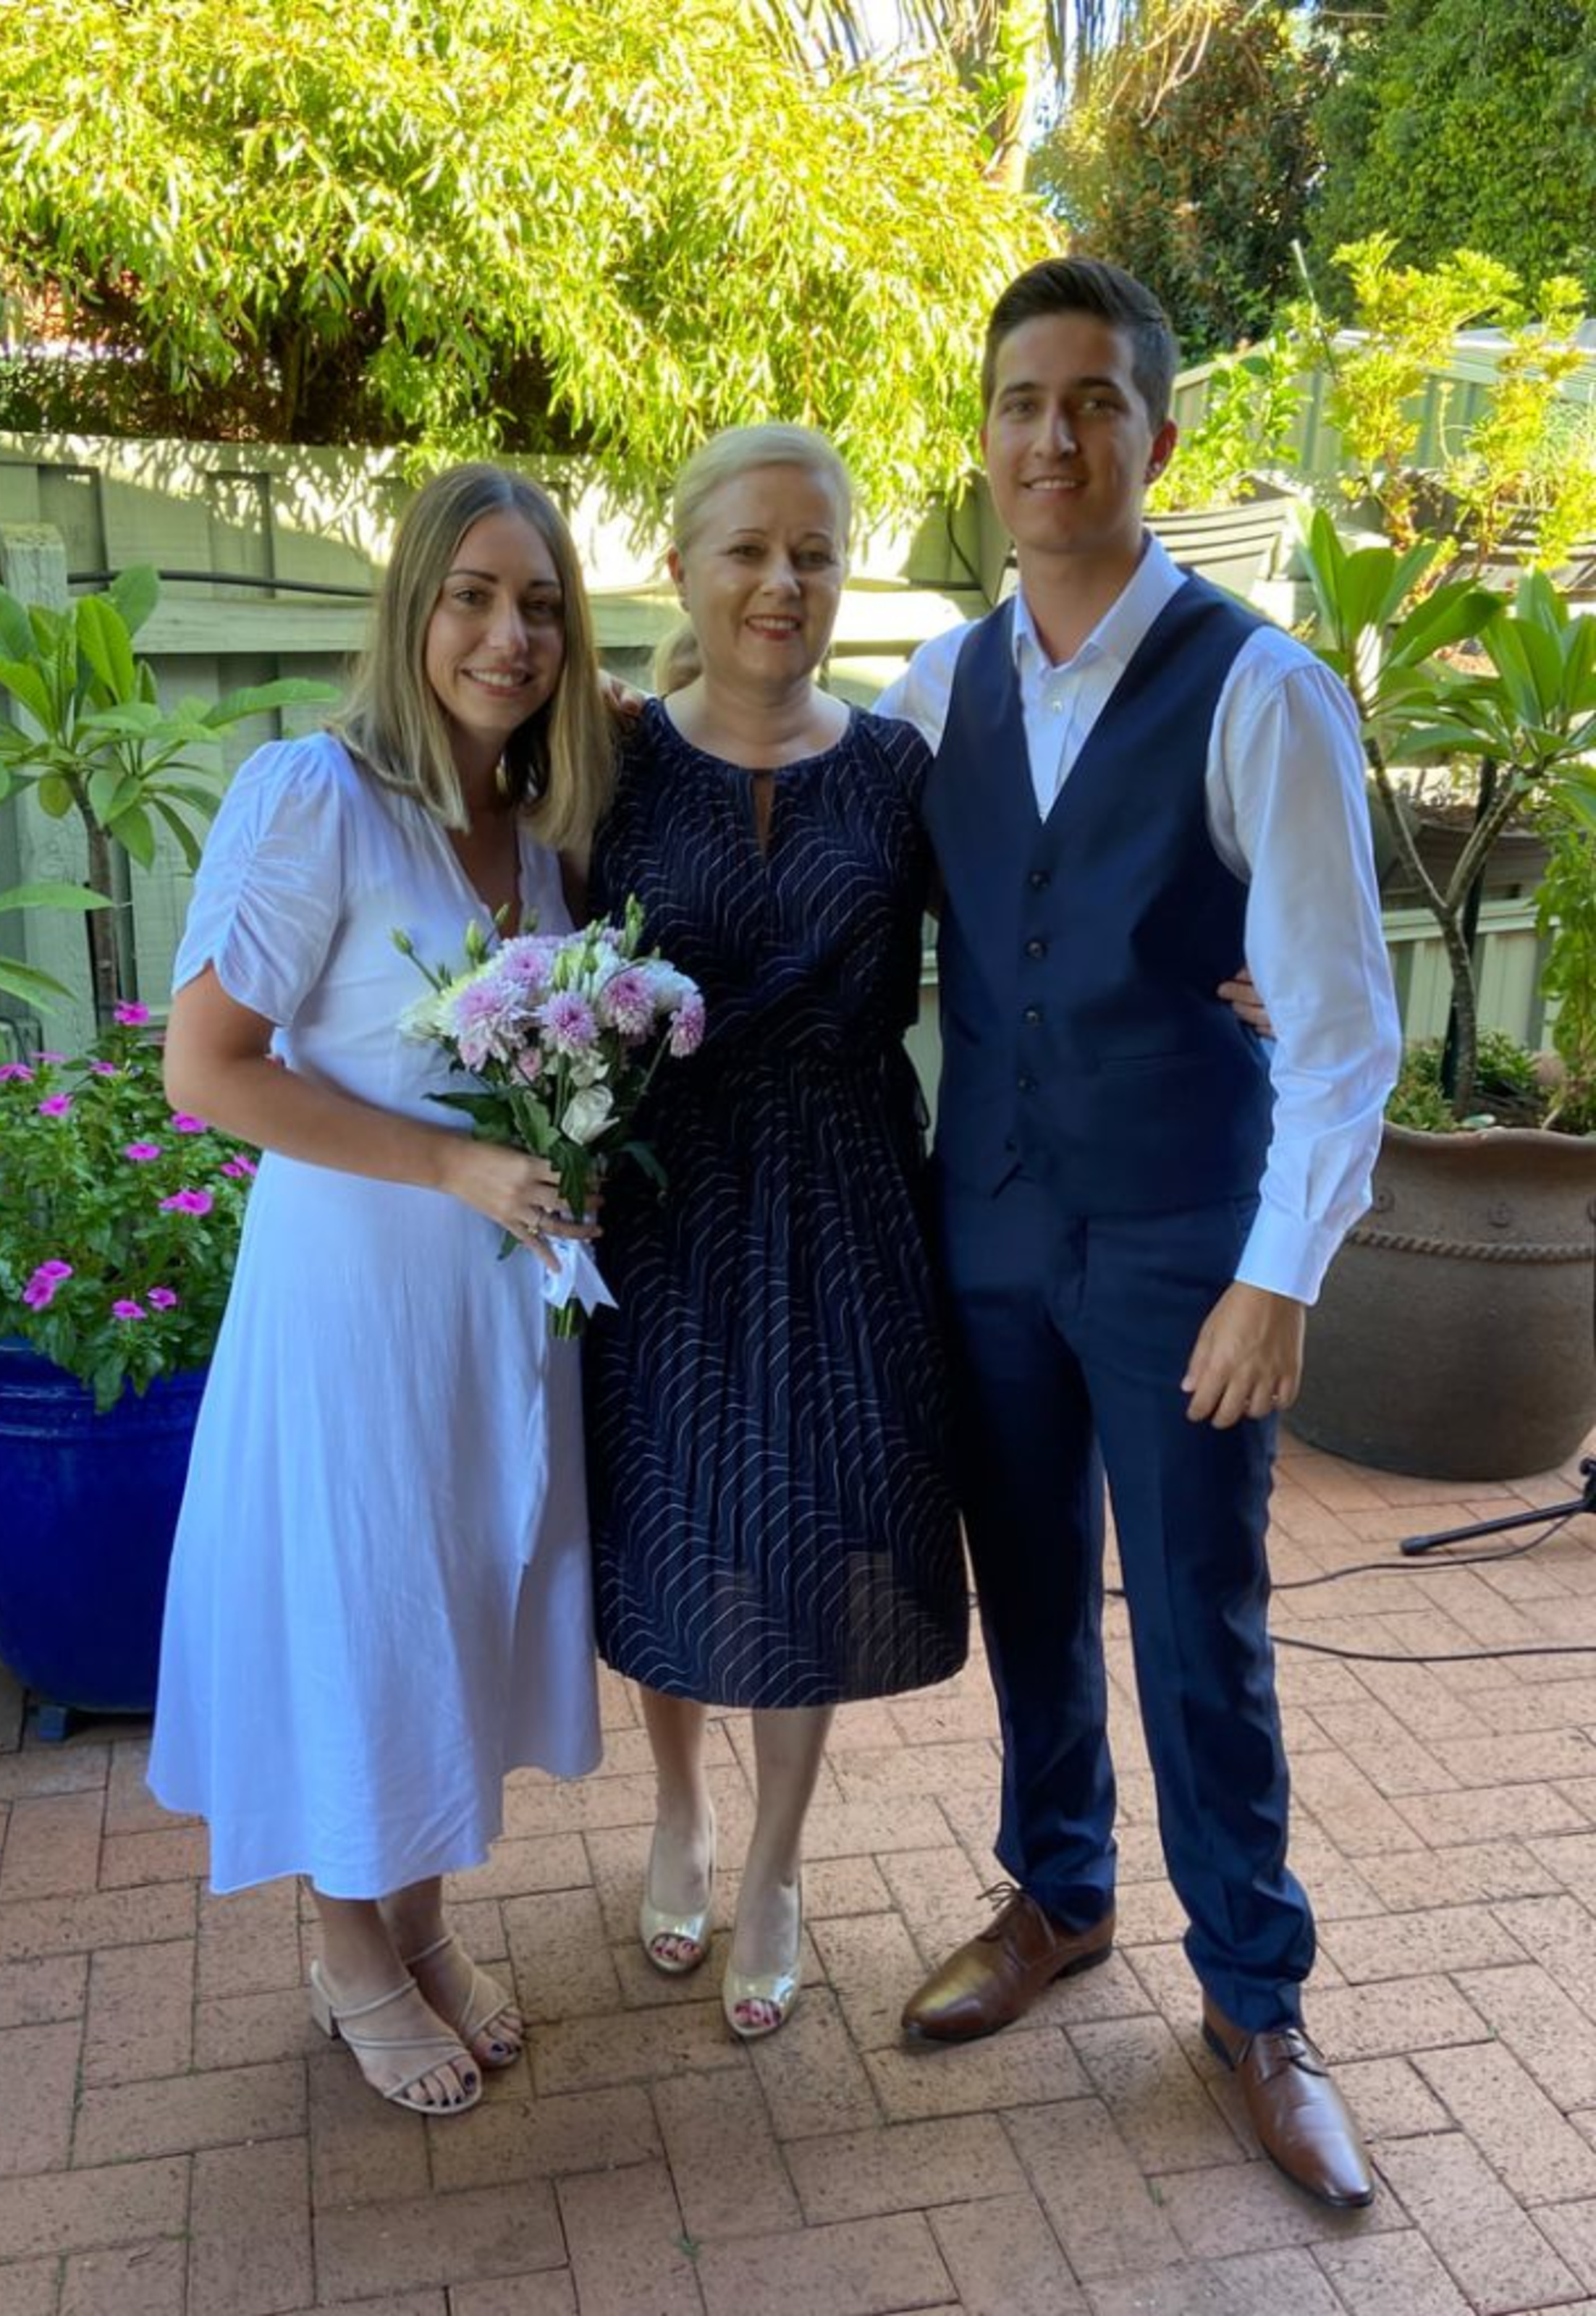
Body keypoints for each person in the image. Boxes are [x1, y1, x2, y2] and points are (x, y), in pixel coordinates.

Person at [882, 259, 1401, 2210]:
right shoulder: (937, 685)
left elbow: (1342, 1028)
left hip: (1190, 1236)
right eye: (1022, 401)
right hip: (995, 1225)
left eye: (1094, 402)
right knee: (1031, 1593)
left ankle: (1258, 2000)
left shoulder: (1257, 687)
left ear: (1158, 438)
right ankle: (1062, 1892)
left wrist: (1283, 1275)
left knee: (1202, 1628)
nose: (1053, 437)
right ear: (989, 436)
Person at [148, 465, 616, 2116]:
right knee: (368, 1598)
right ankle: (348, 1948)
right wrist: (453, 1169)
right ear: (412, 605)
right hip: (358, 1297)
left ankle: (419, 1922)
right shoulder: (314, 796)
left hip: (495, 1307)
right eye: (476, 596)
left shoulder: (534, 832)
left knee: (467, 1598)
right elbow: (205, 1072)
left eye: (543, 604)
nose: (510, 634)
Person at [582, 424, 970, 2039]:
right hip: (666, 1201)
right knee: (670, 1517)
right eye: (746, 549)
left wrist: (1226, 973)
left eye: (812, 552)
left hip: (852, 1199)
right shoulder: (603, 763)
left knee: (816, 1535)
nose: (780, 582)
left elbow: (1047, 932)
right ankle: (677, 1802)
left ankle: (780, 1861)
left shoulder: (898, 771)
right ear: (682, 565)